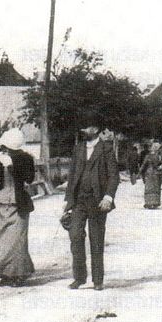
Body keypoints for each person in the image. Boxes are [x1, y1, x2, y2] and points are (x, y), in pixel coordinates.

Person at [63, 124, 119, 291]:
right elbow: (72, 175)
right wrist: (68, 202)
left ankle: (98, 280)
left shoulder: (106, 149)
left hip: (98, 201)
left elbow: (114, 175)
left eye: (86, 128)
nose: (82, 131)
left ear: (95, 129)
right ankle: (79, 278)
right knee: (75, 236)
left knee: (96, 240)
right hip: (79, 200)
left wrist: (108, 197)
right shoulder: (78, 148)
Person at [0, 128, 36, 287]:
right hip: (0, 203)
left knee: (17, 241)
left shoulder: (26, 158)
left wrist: (13, 166)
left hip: (19, 203)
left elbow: (29, 178)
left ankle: (18, 274)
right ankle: (4, 273)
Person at [140, 141, 162, 209]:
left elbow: (143, 165)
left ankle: (148, 202)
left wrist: (140, 172)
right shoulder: (158, 156)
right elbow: (158, 165)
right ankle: (155, 202)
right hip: (156, 173)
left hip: (149, 173)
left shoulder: (148, 156)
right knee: (156, 188)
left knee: (149, 188)